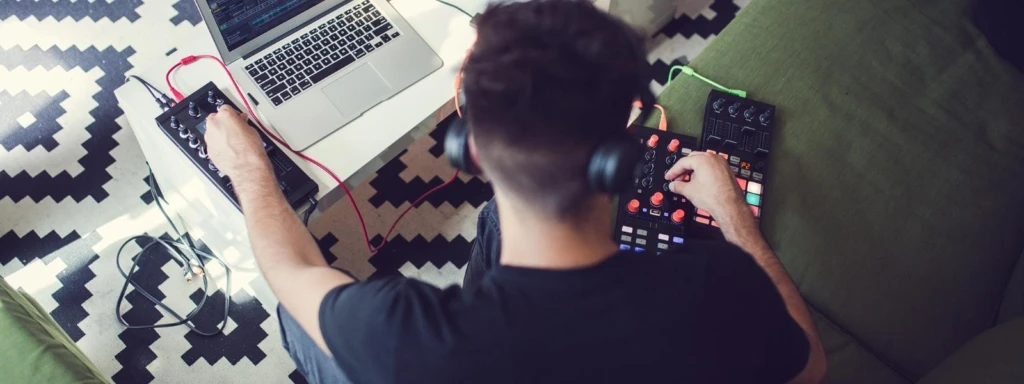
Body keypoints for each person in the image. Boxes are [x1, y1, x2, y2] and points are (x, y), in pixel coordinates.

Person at [203, 0, 827, 382]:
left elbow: (287, 266)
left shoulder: (402, 335)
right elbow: (810, 370)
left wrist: (247, 165)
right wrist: (735, 221)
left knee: (295, 313)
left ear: (468, 150)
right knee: (500, 220)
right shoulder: (719, 283)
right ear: (626, 130)